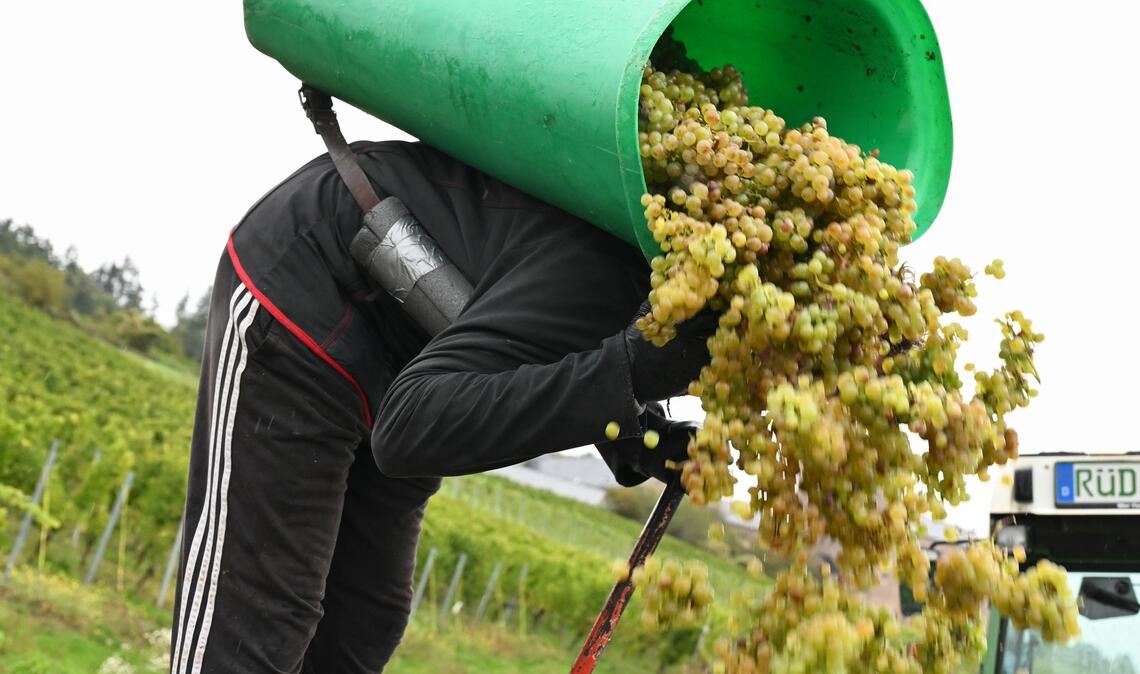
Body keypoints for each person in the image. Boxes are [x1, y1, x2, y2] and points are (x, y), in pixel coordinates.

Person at [167, 139, 715, 674]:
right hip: (309, 287)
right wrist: (629, 376)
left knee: (362, 624)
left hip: (420, 352)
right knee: (257, 629)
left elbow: (530, 335)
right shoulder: (610, 271)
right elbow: (408, 432)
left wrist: (625, 424)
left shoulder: (643, 284)